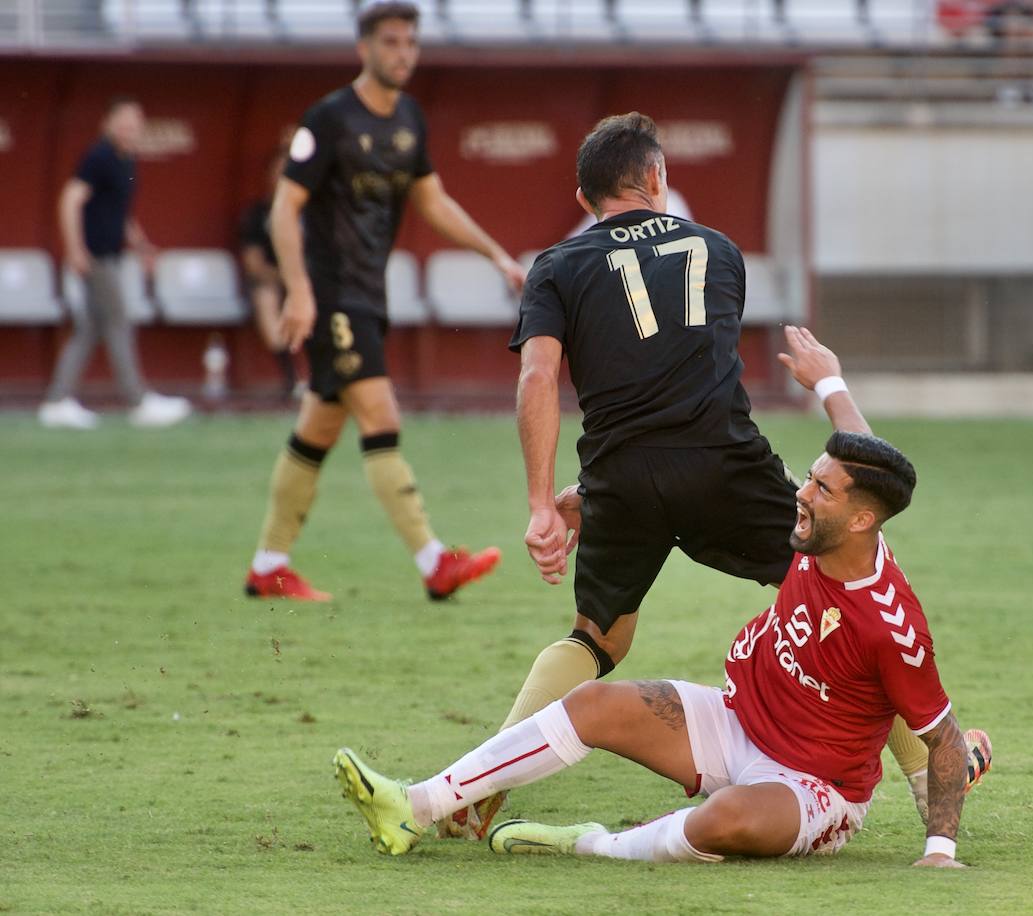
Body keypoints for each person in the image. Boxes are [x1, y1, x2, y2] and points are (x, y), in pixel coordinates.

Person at [453, 114, 938, 838]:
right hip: (723, 464)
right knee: (840, 591)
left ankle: (477, 789)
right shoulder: (719, 251)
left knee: (598, 638)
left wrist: (546, 504)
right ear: (656, 179)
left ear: (585, 198)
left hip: (621, 475)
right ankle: (934, 785)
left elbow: (540, 376)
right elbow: (681, 377)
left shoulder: (555, 266)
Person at [333, 428, 992, 866]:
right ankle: (414, 806)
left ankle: (590, 846)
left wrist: (939, 851)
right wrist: (826, 379)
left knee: (722, 819)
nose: (801, 491)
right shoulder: (819, 535)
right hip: (735, 720)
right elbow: (859, 440)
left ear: (861, 520)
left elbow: (942, 737)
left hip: (814, 785)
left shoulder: (889, 622)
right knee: (594, 703)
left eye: (820, 488)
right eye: (810, 477)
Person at [241, 0, 524, 602]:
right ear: (364, 48)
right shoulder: (329, 119)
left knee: (317, 428)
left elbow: (433, 201)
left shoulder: (409, 119)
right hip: (331, 297)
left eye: (410, 43)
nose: (402, 54)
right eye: (391, 42)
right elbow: (284, 209)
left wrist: (495, 254)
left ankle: (269, 564)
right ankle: (433, 562)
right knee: (382, 417)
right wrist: (299, 291)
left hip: (367, 297)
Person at [37, 96, 192, 430]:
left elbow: (120, 211)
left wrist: (139, 245)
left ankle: (57, 401)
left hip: (113, 254)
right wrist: (75, 249)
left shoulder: (127, 160)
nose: (129, 129)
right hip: (95, 257)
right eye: (123, 121)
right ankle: (137, 401)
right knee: (119, 322)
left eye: (135, 123)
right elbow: (70, 200)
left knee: (90, 328)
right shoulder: (99, 156)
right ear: (107, 123)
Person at [238, 145, 299, 401]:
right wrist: (289, 279)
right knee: (265, 297)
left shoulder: (310, 213)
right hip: (273, 281)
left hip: (306, 282)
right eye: (279, 172)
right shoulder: (257, 214)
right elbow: (254, 265)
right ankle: (291, 378)